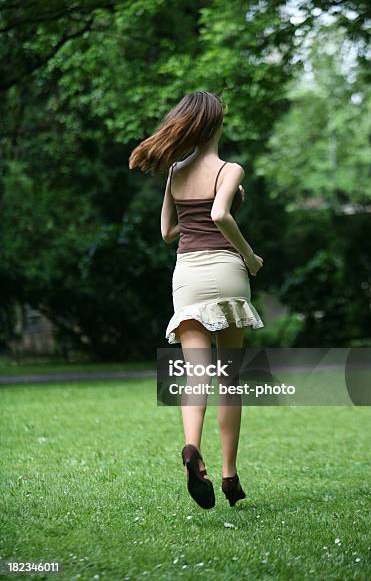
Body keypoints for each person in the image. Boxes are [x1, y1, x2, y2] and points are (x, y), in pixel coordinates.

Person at [129, 91, 264, 509]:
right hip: (226, 271)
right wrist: (250, 256)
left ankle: (191, 449)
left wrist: (191, 220)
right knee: (229, 379)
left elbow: (168, 232)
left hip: (187, 274)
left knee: (195, 377)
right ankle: (229, 475)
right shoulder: (229, 169)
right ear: (217, 124)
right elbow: (221, 215)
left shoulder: (175, 171)